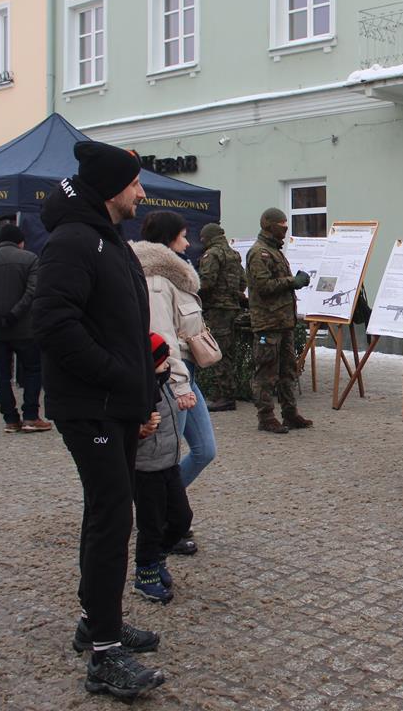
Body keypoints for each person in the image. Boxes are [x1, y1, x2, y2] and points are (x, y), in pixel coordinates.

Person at [32, 140, 165, 700]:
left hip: (115, 403)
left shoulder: (107, 238)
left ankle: (96, 622)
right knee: (112, 519)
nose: (141, 193)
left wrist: (142, 384)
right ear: (112, 189)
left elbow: (120, 324)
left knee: (108, 513)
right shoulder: (73, 241)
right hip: (92, 407)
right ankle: (105, 656)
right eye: (134, 184)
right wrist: (116, 377)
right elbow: (53, 324)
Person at [133, 211, 216, 554]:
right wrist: (180, 386)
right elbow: (161, 340)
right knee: (166, 459)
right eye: (182, 236)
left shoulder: (173, 275)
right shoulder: (156, 280)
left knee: (205, 450)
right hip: (170, 379)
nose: (187, 242)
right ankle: (165, 523)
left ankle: (165, 511)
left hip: (184, 375)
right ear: (168, 238)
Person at [0, 223, 51, 434]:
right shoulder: (30, 259)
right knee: (33, 370)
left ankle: (10, 419)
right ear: (21, 241)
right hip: (25, 328)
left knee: (1, 375)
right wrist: (15, 313)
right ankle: (31, 416)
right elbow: (33, 291)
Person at [133, 333, 193, 604]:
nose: (167, 366)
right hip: (146, 470)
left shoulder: (164, 383)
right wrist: (139, 430)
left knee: (182, 518)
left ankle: (159, 556)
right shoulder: (136, 391)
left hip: (170, 464)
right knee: (151, 525)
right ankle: (145, 573)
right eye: (162, 361)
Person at [246, 207, 313, 434]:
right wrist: (293, 281)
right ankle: (266, 417)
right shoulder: (259, 253)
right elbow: (263, 286)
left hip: (283, 322)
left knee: (288, 371)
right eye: (281, 225)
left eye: (286, 225)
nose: (285, 229)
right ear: (269, 225)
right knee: (266, 373)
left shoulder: (275, 251)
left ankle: (290, 414)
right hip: (268, 323)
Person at [196, 222, 246, 412]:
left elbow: (206, 282)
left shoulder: (212, 254)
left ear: (207, 238)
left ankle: (224, 396)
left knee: (218, 352)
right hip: (232, 308)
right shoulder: (234, 254)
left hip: (217, 310)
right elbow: (243, 282)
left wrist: (193, 293)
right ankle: (226, 392)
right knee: (228, 351)